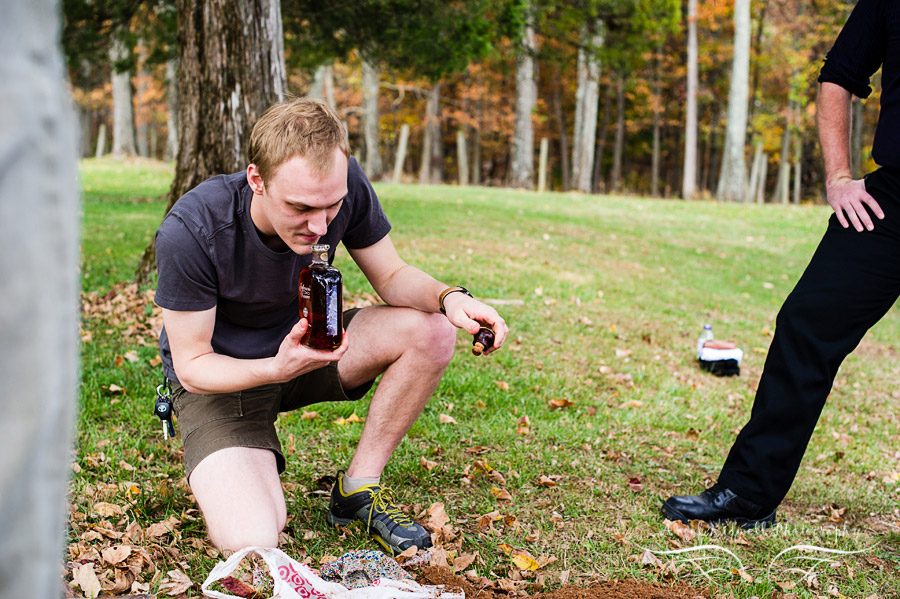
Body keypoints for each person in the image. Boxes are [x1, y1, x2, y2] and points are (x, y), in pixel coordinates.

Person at [154, 97, 508, 554]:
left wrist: (450, 298)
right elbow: (192, 365)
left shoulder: (341, 184)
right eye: (300, 208)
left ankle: (357, 492)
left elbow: (392, 276)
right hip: (222, 381)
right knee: (252, 539)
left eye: (332, 207)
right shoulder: (192, 229)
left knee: (432, 329)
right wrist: (274, 369)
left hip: (312, 349)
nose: (320, 226)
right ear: (256, 179)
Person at [663, 0, 899, 528]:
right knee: (806, 323)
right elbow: (838, 75)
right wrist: (839, 176)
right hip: (892, 200)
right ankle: (748, 493)